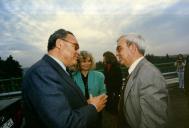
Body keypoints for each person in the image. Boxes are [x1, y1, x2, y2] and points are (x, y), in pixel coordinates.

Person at [22, 29, 107, 128]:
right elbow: (64, 123)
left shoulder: (56, 71)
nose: (78, 53)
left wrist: (85, 104)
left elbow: (62, 104)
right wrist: (93, 107)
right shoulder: (42, 73)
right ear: (60, 44)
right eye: (75, 47)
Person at [116, 33, 168, 128]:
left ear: (132, 47)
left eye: (119, 48)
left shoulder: (149, 74)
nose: (116, 53)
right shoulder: (137, 71)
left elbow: (152, 124)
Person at [72, 50, 106, 128]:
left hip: (96, 109)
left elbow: (103, 93)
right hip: (80, 111)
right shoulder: (72, 77)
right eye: (83, 61)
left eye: (89, 61)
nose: (87, 63)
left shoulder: (100, 76)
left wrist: (96, 103)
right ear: (78, 63)